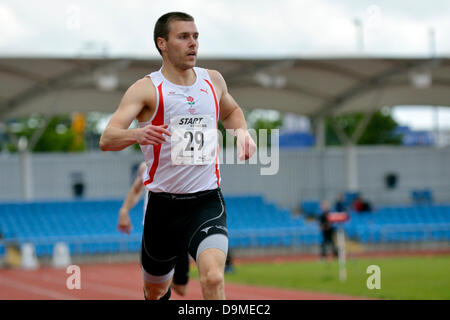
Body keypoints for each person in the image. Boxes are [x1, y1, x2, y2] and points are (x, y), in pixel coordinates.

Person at [100, 12, 257, 300]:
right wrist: (136, 135)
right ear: (163, 43)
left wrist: (242, 133)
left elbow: (232, 111)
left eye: (195, 36)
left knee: (212, 276)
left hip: (206, 199)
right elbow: (107, 138)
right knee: (156, 290)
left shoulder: (213, 81)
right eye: (183, 37)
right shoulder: (147, 89)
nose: (193, 43)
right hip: (163, 207)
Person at [117, 161, 190, 296]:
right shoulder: (146, 167)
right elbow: (136, 190)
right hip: (155, 232)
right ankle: (158, 281)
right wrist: (124, 210)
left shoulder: (184, 165)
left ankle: (161, 279)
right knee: (157, 291)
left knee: (181, 289)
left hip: (180, 232)